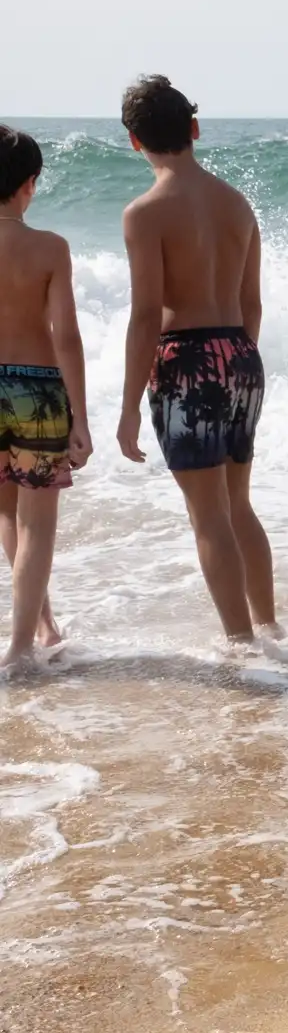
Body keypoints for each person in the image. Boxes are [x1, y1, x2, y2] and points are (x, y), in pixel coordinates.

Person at [116, 76, 281, 644]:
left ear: (135, 142)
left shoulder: (145, 212)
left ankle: (242, 646)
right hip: (240, 353)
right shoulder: (237, 204)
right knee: (238, 504)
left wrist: (129, 405)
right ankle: (268, 625)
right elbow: (252, 303)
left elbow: (144, 317)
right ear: (194, 128)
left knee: (207, 516)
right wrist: (237, 361)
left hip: (185, 362)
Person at [0, 128, 89, 670]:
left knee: (7, 513)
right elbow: (67, 337)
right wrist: (79, 417)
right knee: (36, 522)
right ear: (30, 184)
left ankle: (42, 625)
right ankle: (19, 648)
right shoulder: (50, 247)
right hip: (36, 391)